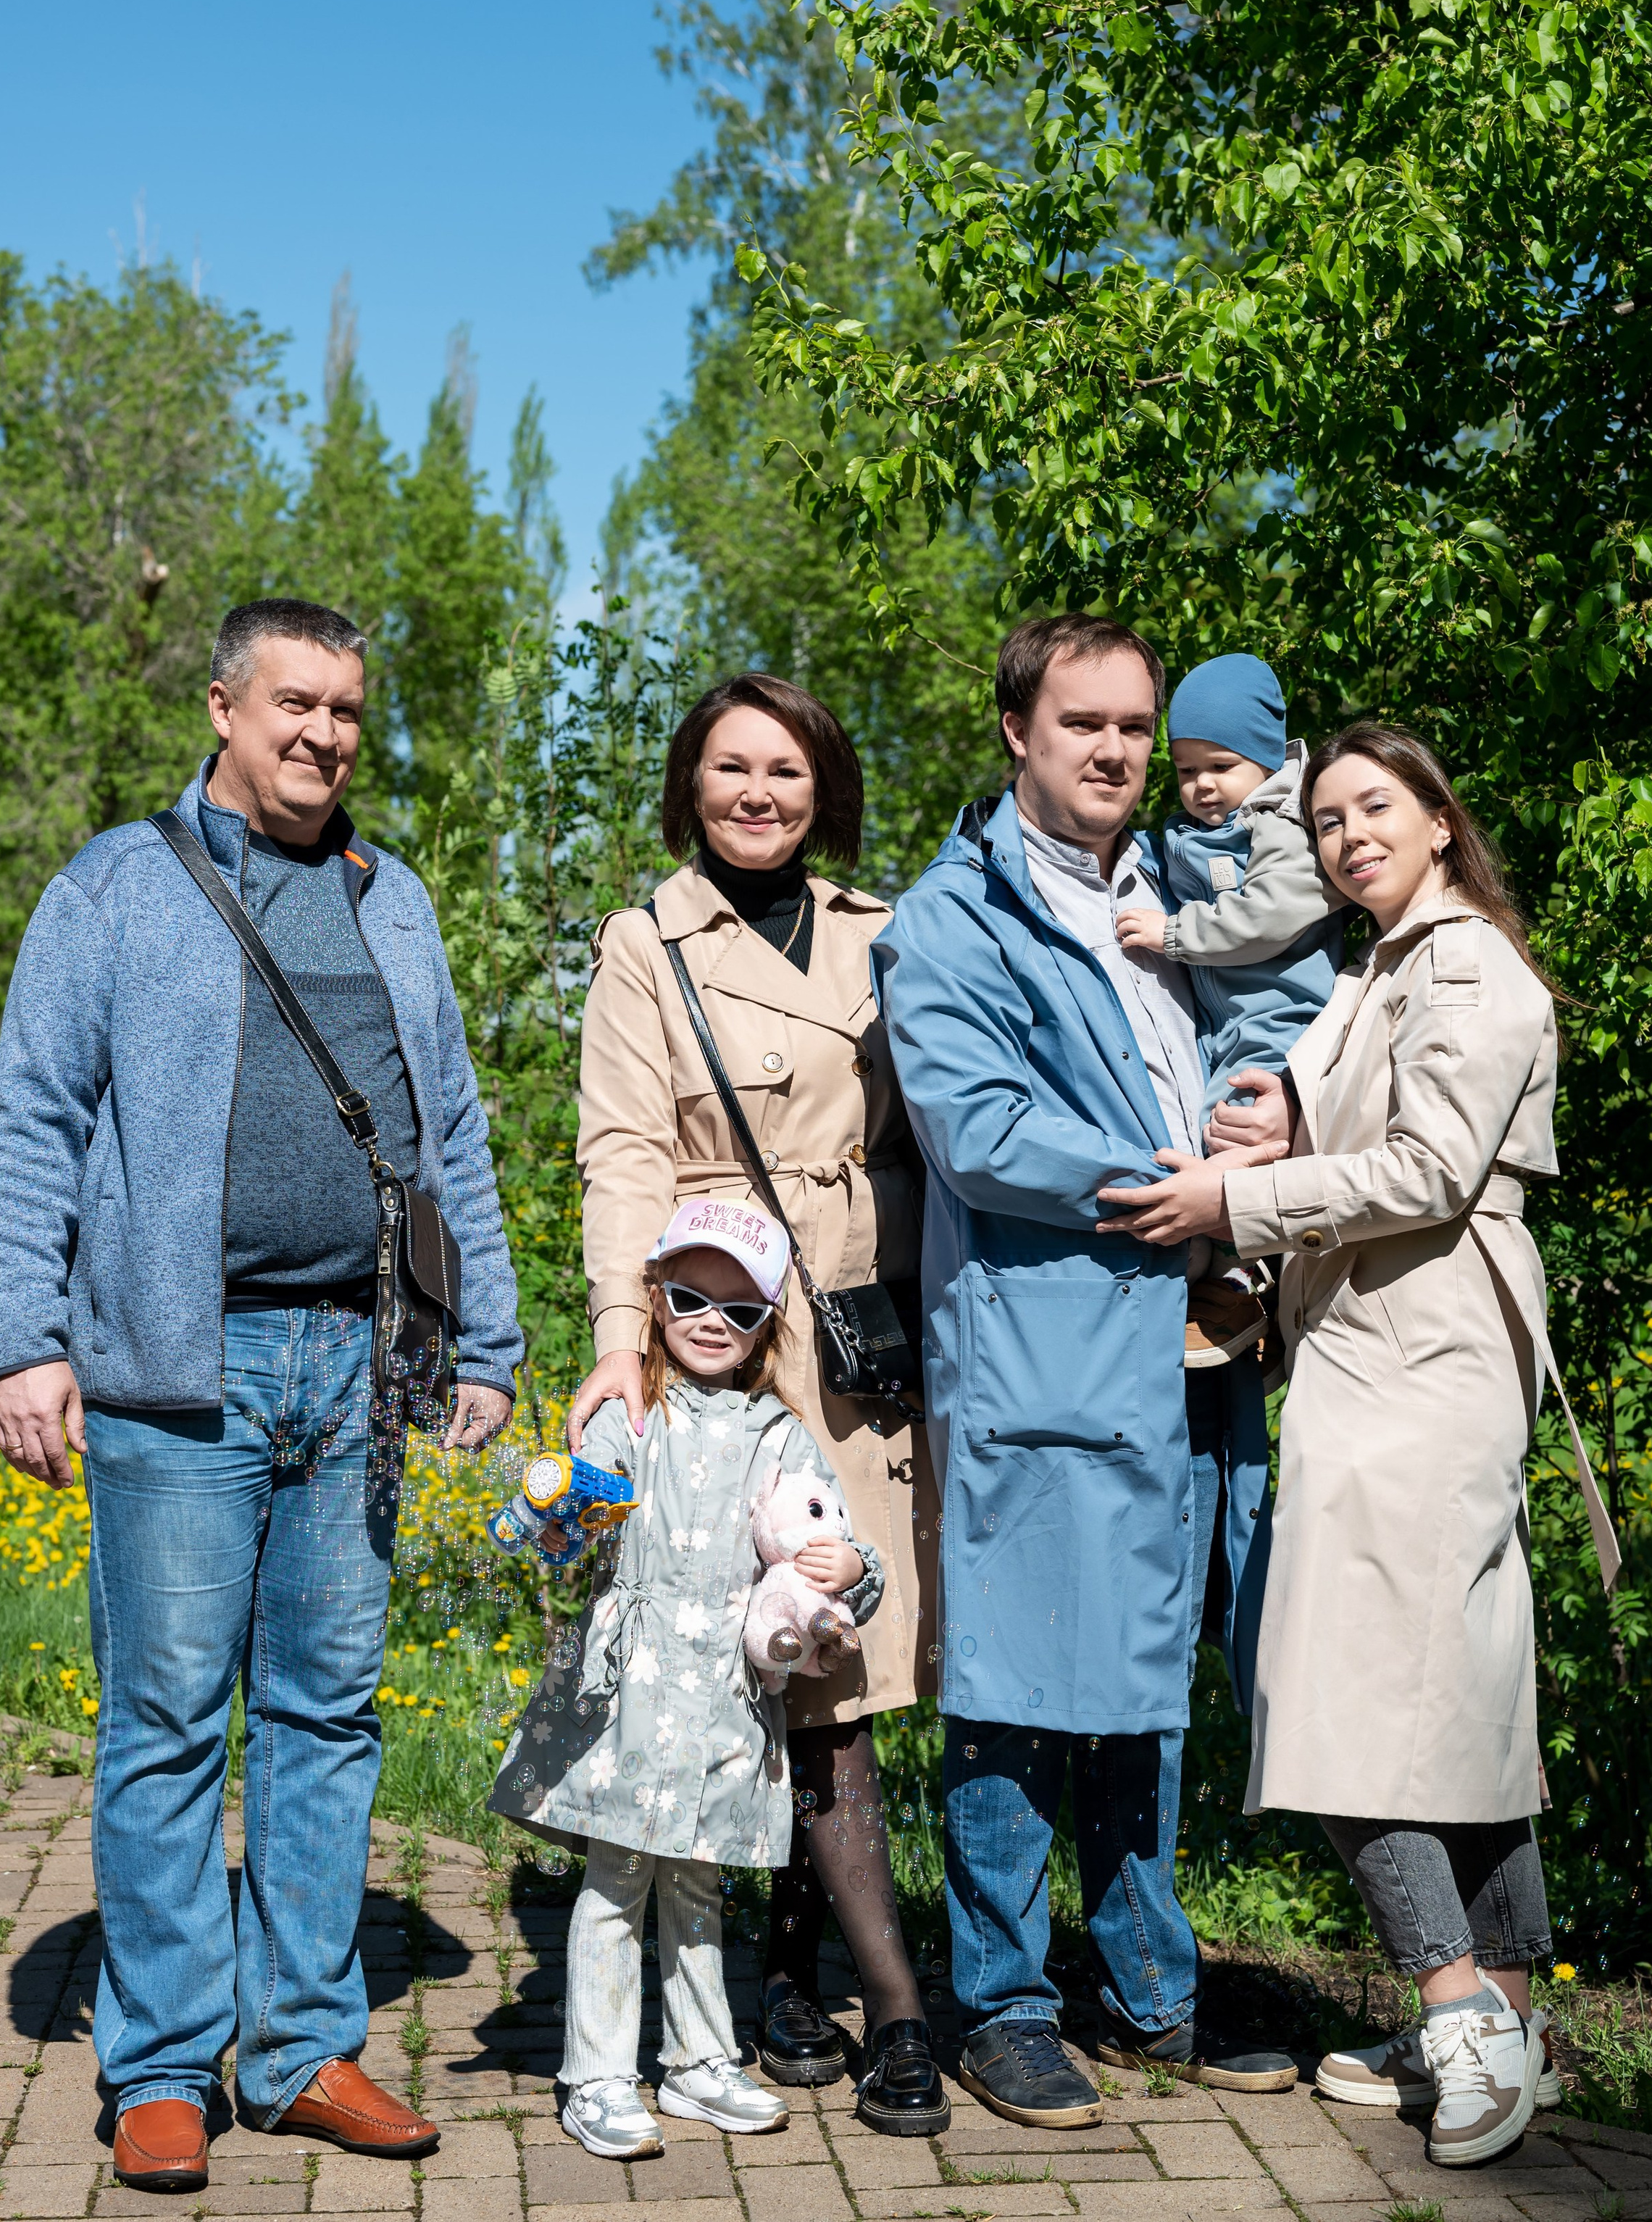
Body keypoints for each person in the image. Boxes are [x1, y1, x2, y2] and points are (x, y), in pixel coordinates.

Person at [0, 599, 522, 2194]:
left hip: (359, 1362)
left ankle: (299, 2049)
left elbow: (454, 1135)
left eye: (347, 710)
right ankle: (157, 2066)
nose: (324, 735)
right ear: (223, 707)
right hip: (174, 1370)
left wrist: (478, 1339)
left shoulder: (389, 895)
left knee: (323, 1714)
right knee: (162, 1722)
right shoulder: (119, 887)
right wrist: (26, 1339)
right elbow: (30, 1119)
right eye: (294, 703)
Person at [1099, 723, 1611, 2168]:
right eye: (1320, 820)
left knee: (1324, 1697)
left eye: (1371, 809)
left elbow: (1431, 1168)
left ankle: (1455, 2010)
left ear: (1437, 821)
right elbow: (1353, 1128)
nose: (1344, 837)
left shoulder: (1466, 966)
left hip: (1421, 1357)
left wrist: (1230, 1203)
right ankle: (1507, 2007)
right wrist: (1268, 1127)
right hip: (1378, 1351)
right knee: (1452, 1704)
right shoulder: (1381, 968)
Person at [877, 615, 1298, 2131]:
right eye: (1084, 725)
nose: (1117, 751)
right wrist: (1175, 1178)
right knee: (1014, 1682)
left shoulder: (1177, 898)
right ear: (1015, 733)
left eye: (1134, 726)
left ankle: (1147, 1989)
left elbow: (1247, 1048)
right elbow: (978, 1132)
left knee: (1140, 1687)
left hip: (1185, 1347)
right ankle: (999, 1999)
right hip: (1044, 1343)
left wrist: (1269, 1118)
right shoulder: (951, 920)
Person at [567, 673, 946, 2136]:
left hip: (852, 1327)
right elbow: (618, 1150)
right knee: (759, 1669)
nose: (758, 794)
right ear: (690, 783)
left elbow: (934, 1132)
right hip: (714, 1325)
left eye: (784, 769)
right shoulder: (643, 940)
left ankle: (787, 1975)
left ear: (822, 784)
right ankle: (893, 2007)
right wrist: (623, 1343)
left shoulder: (883, 931)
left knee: (830, 1660)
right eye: (730, 768)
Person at [493, 1198, 884, 2160]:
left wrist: (851, 1569)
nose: (712, 1319)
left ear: (768, 1325)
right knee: (616, 1880)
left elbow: (828, 1538)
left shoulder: (779, 1435)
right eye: (688, 1295)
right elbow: (579, 1508)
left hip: (720, 1702)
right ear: (655, 1299)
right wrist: (559, 1509)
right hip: (625, 1696)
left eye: (740, 1306)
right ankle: (595, 2074)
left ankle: (700, 2058)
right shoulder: (634, 1413)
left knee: (701, 1883)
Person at [1114, 649, 1343, 1365]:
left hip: (1280, 1021)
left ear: (1266, 761)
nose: (1202, 787)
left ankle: (1248, 1272)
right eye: (1185, 771)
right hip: (1231, 1025)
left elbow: (1274, 912)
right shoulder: (1204, 828)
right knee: (1217, 1127)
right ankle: (1247, 1276)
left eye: (1220, 766)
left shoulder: (1282, 823)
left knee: (1234, 1135)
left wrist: (1173, 933)